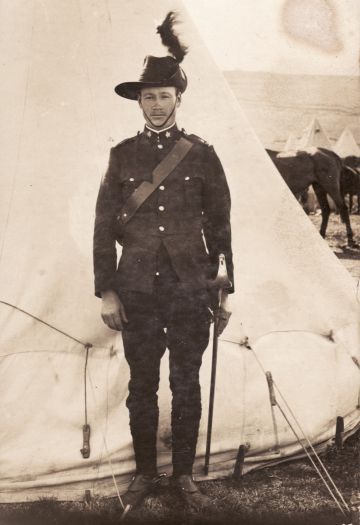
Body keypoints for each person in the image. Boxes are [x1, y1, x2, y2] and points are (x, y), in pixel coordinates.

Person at [93, 12, 234, 513]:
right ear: (139, 101)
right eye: (147, 96)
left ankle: (183, 478)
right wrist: (107, 289)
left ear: (179, 98)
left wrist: (224, 288)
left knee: (186, 381)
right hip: (136, 290)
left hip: (191, 288)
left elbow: (220, 224)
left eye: (164, 96)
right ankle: (144, 475)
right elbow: (102, 227)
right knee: (141, 383)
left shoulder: (201, 155)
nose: (155, 104)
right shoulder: (122, 155)